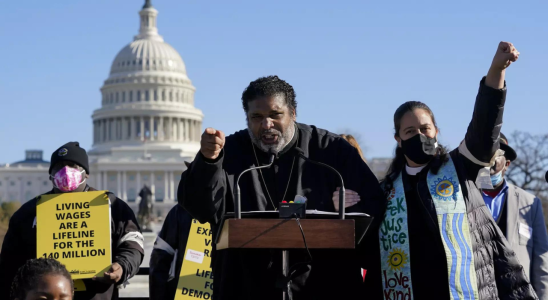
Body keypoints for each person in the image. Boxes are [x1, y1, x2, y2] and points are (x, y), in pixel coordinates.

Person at [178, 76, 385, 299]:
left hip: (322, 283)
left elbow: (373, 205)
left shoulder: (331, 150)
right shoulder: (231, 153)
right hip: (247, 285)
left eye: (275, 115)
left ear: (293, 113)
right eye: (256, 117)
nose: (267, 125)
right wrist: (208, 161)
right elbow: (199, 207)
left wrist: (346, 210)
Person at [362, 41, 538, 300]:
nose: (419, 135)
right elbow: (369, 252)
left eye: (425, 129)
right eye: (410, 132)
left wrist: (496, 70)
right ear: (398, 139)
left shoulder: (459, 167)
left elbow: (484, 127)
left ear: (436, 131)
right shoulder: (386, 190)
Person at [0, 142, 145, 300]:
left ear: (86, 173)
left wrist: (122, 266)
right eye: (58, 167)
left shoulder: (112, 206)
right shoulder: (28, 213)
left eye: (72, 165)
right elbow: (9, 266)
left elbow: (132, 242)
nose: (65, 171)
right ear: (50, 175)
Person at [481, 133, 548, 299]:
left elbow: (542, 260)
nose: (491, 160)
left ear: (507, 164)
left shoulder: (530, 203)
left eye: (497, 154)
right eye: (485, 153)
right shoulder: (462, 198)